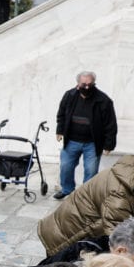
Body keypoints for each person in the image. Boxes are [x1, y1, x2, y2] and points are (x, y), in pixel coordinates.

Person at [53, 71, 118, 199]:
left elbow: (111, 124)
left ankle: (86, 196)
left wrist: (109, 144)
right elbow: (61, 114)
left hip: (92, 143)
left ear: (94, 83)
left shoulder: (103, 100)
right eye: (84, 84)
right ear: (78, 84)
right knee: (65, 167)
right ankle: (67, 189)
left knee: (91, 171)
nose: (87, 87)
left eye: (90, 84)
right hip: (71, 141)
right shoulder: (69, 96)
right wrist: (60, 130)